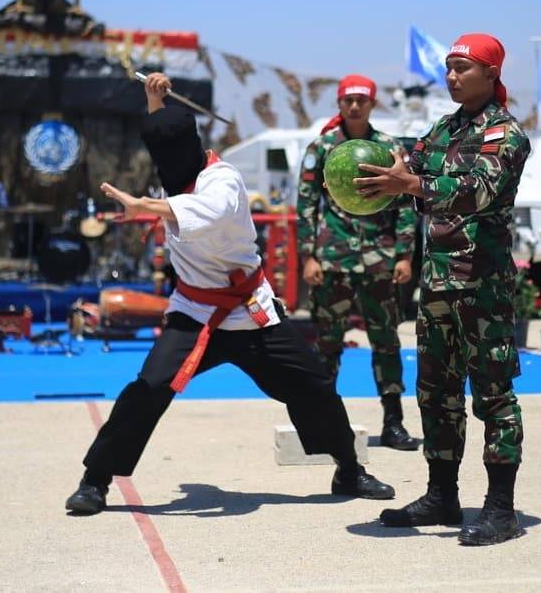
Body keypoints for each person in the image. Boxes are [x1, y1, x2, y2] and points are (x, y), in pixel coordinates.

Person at [65, 72, 395, 514]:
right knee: (147, 388)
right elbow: (165, 134)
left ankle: (349, 469)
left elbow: (209, 212)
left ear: (187, 151)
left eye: (167, 154)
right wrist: (153, 99)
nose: (161, 162)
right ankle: (95, 480)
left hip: (248, 310)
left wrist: (145, 208)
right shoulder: (175, 170)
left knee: (314, 383)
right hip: (193, 311)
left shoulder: (222, 180)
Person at [354, 34, 530, 546]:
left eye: (462, 67)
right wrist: (374, 173)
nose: (451, 77)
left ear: (491, 74)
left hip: (483, 287)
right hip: (437, 286)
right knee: (435, 394)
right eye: (448, 68)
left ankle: (501, 509)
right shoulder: (442, 129)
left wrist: (409, 185)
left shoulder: (507, 134)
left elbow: (476, 192)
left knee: (494, 396)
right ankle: (441, 495)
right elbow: (409, 164)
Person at [297, 74, 419, 451]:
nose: (354, 106)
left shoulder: (388, 148)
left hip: (380, 260)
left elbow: (405, 204)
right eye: (348, 100)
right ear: (339, 103)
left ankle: (394, 421)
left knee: (386, 342)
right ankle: (323, 421)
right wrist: (308, 255)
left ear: (372, 104)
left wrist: (403, 253)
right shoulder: (322, 147)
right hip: (333, 260)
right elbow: (305, 204)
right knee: (328, 344)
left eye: (361, 100)